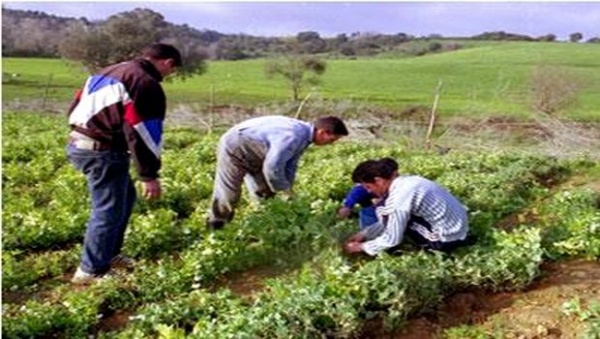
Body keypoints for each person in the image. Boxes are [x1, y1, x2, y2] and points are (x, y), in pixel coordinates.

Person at [66, 43, 182, 284]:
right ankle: (91, 271)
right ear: (168, 63)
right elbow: (143, 133)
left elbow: (75, 104)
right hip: (102, 151)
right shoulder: (144, 83)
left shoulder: (109, 70)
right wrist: (149, 175)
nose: (169, 75)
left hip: (82, 142)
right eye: (172, 70)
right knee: (108, 209)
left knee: (124, 199)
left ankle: (110, 254)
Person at [208, 115, 349, 230]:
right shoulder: (293, 135)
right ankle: (216, 225)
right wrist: (283, 190)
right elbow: (273, 166)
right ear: (322, 132)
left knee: (264, 192)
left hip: (258, 152)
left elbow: (290, 165)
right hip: (235, 147)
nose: (332, 144)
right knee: (229, 193)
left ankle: (263, 225)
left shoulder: (304, 137)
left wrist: (288, 188)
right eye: (332, 139)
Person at [344, 158, 472, 256]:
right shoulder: (408, 181)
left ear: (379, 181)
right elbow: (389, 219)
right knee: (392, 215)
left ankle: (433, 249)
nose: (369, 191)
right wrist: (364, 234)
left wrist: (362, 247)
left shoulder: (399, 197)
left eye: (368, 186)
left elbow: (392, 238)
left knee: (386, 212)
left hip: (446, 239)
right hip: (458, 229)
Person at [337, 158, 398, 229]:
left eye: (368, 187)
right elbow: (357, 192)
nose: (368, 190)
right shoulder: (363, 188)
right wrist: (347, 206)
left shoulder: (401, 190)